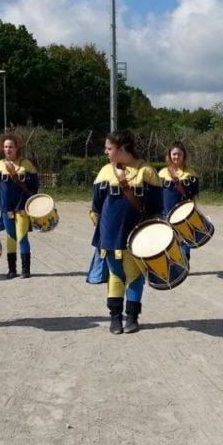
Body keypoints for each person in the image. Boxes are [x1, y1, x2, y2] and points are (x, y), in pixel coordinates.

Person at [88, 129, 161, 334]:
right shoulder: (105, 172)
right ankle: (115, 318)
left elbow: (156, 207)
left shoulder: (146, 171)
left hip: (137, 235)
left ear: (122, 149)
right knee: (115, 275)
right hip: (110, 235)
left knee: (134, 276)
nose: (106, 152)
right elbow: (96, 205)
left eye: (109, 148)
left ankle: (132, 317)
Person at [0, 133, 39, 279]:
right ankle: (12, 269)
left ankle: (26, 270)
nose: (8, 149)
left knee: (22, 238)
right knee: (11, 238)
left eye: (11, 147)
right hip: (6, 208)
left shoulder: (27, 165)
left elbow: (34, 186)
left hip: (22, 208)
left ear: (17, 148)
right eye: (5, 147)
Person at [157, 140, 200, 263]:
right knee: (169, 242)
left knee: (184, 241)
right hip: (166, 214)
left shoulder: (191, 174)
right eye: (174, 154)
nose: (176, 157)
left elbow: (193, 196)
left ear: (184, 156)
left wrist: (192, 214)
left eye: (179, 154)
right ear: (169, 155)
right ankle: (174, 265)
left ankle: (184, 261)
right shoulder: (162, 173)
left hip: (184, 215)